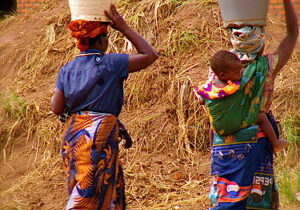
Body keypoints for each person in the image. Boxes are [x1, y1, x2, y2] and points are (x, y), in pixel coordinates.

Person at [51, 4, 158, 210]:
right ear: (101, 39)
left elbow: (56, 108)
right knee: (91, 193)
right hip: (97, 138)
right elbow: (150, 55)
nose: (107, 41)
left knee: (84, 188)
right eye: (106, 37)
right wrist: (124, 28)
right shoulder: (110, 63)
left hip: (73, 138)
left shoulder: (67, 68)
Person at [196, 0, 298, 209]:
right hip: (256, 139)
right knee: (256, 200)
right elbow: (292, 34)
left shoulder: (218, 71)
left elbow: (208, 103)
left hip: (224, 143)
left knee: (225, 197)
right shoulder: (266, 66)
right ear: (260, 39)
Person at [195, 50, 288, 152]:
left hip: (218, 128)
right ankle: (276, 143)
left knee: (213, 122)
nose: (240, 74)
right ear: (223, 75)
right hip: (234, 124)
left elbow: (201, 100)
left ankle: (212, 148)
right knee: (261, 117)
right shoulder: (233, 88)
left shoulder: (208, 87)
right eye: (237, 72)